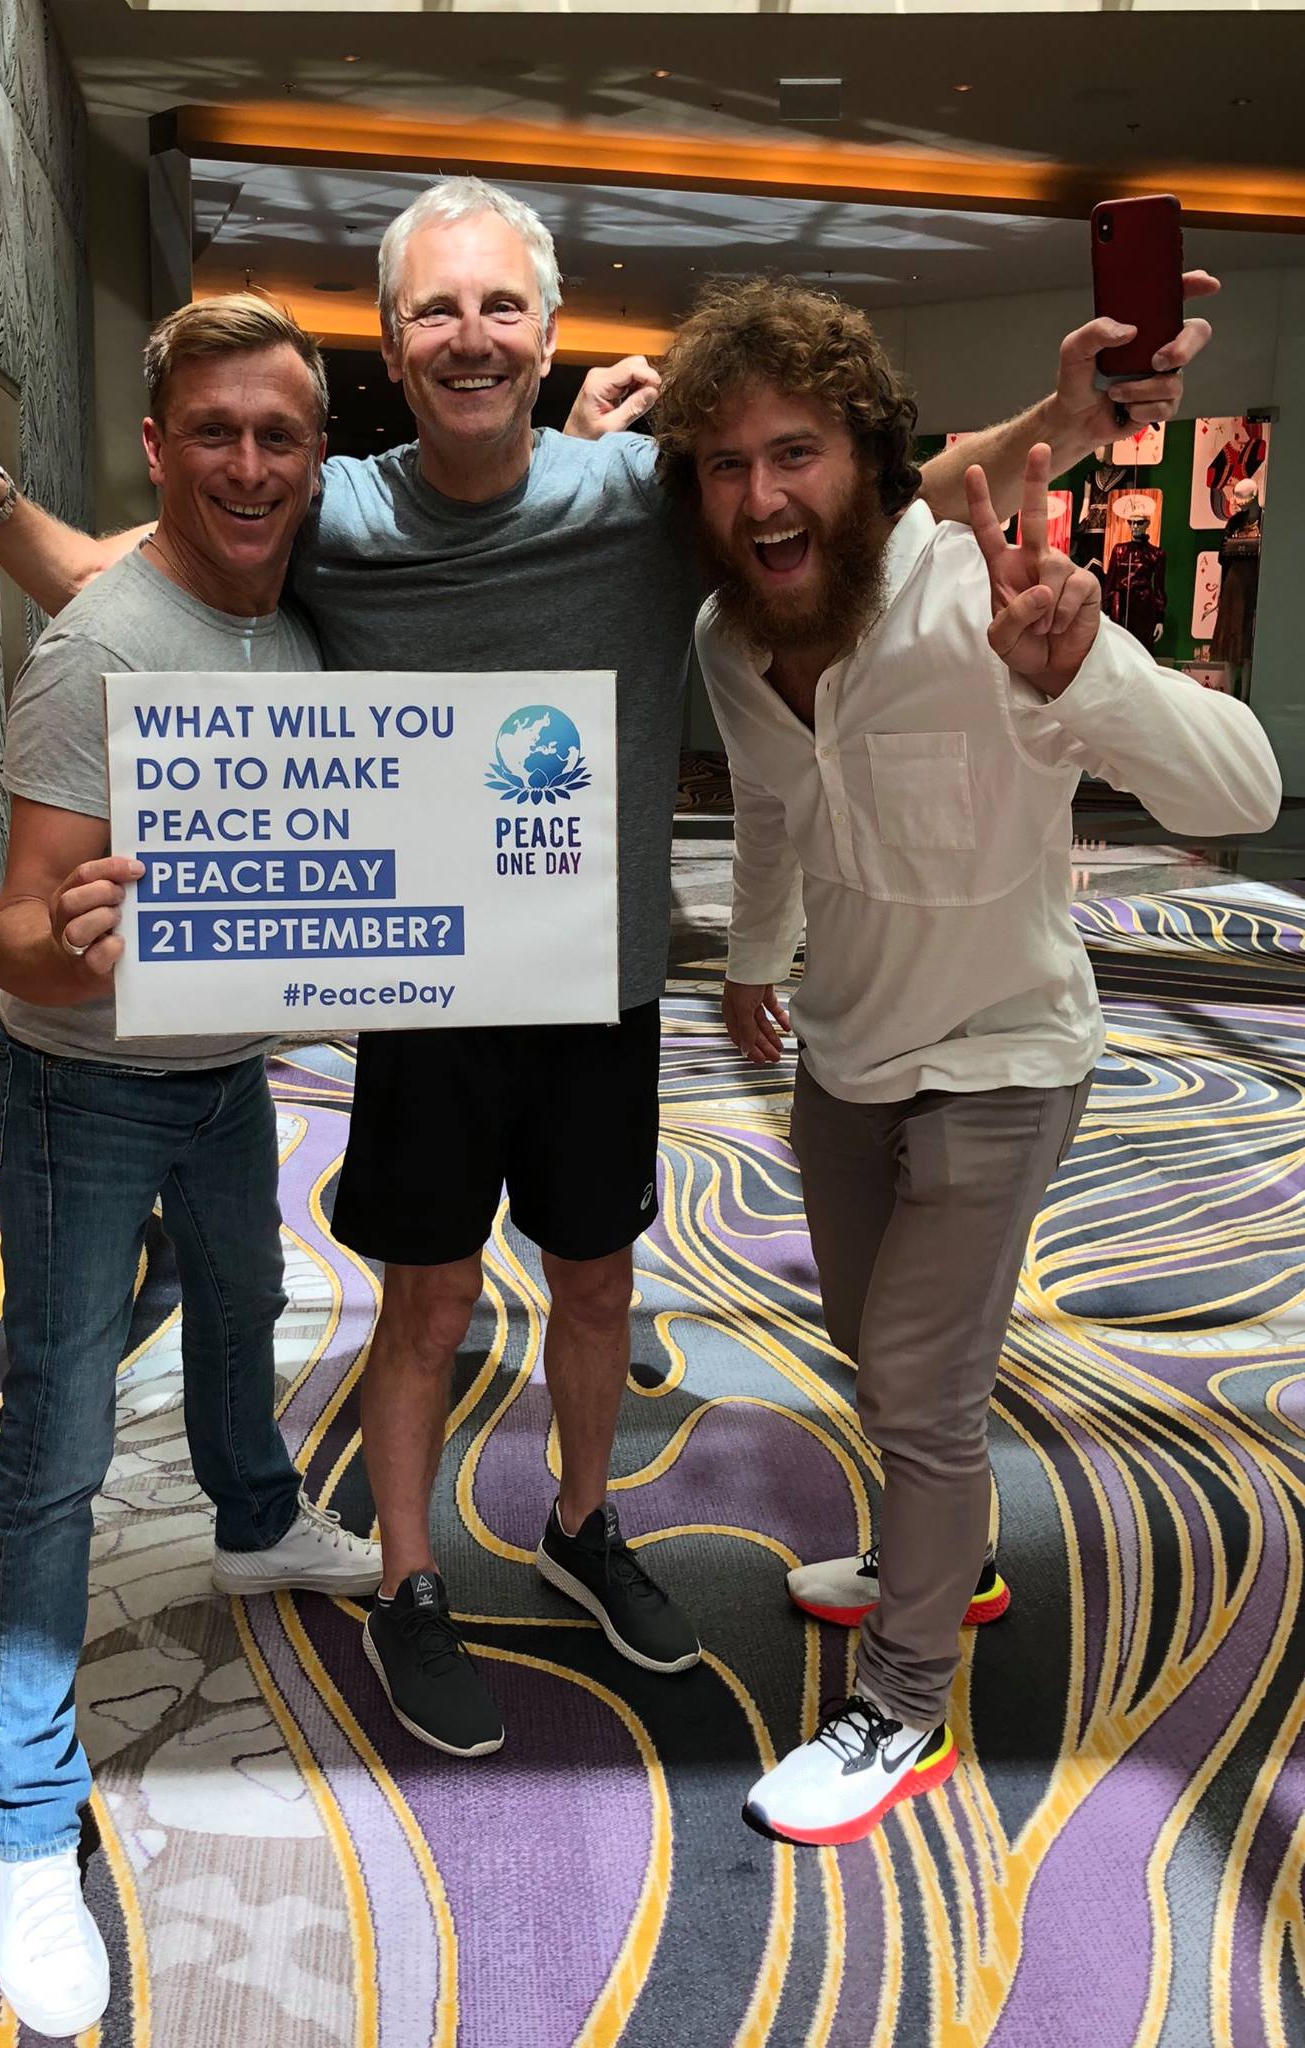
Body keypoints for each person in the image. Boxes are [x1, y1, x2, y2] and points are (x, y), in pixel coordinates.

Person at [0, 179, 1217, 1764]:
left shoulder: (641, 498)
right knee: (424, 1300)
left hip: (601, 985)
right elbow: (126, 580)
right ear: (392, 337)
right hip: (424, 996)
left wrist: (1058, 420)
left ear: (547, 329)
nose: (470, 336)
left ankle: (583, 1529)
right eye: (436, 309)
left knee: (597, 1281)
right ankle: (413, 1581)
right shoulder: (335, 511)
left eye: (500, 306)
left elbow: (888, 491)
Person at [652, 277, 1280, 1847]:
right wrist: (746, 960)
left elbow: (1247, 791)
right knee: (874, 1346)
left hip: (1004, 1051)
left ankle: (903, 1701)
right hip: (846, 1051)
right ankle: (956, 1555)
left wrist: (1084, 673)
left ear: (870, 462)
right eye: (726, 467)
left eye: (792, 454)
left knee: (924, 1385)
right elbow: (779, 811)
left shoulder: (982, 606)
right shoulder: (731, 641)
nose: (760, 496)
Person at [0, 290, 384, 2039]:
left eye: (279, 432)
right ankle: (30, 1828)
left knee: (247, 1292)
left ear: (316, 452)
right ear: (159, 446)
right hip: (85, 1095)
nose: (250, 462)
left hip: (229, 1076)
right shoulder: (103, 649)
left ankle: (256, 1518)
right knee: (51, 1435)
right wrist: (76, 944)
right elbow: (16, 936)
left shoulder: (297, 606)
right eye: (216, 432)